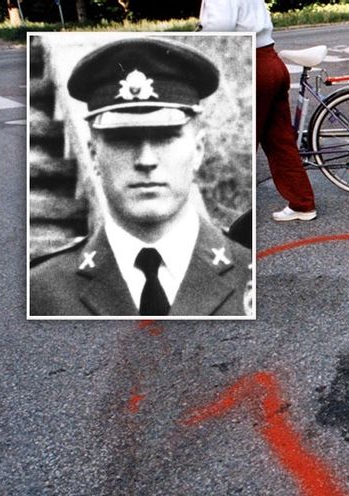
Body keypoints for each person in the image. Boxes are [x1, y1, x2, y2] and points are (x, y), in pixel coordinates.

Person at [29, 37, 253, 317]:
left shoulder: (253, 272)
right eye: (123, 139)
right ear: (94, 154)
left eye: (165, 137)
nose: (146, 160)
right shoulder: (40, 292)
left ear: (198, 150)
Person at [199, 0, 318, 222]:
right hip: (271, 60)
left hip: (251, 62)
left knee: (239, 142)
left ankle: (229, 216)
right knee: (280, 140)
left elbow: (221, 25)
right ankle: (302, 203)